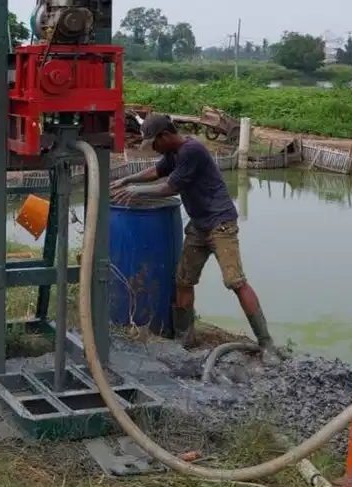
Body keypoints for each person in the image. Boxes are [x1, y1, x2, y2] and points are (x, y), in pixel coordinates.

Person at [111, 114, 281, 363]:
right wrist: (128, 178)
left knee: (235, 281)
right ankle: (185, 337)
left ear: (165, 136)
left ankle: (267, 344)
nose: (154, 150)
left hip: (220, 224)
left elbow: (169, 188)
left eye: (154, 144)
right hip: (199, 225)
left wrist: (135, 191)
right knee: (183, 280)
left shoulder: (193, 151)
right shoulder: (174, 154)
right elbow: (156, 171)